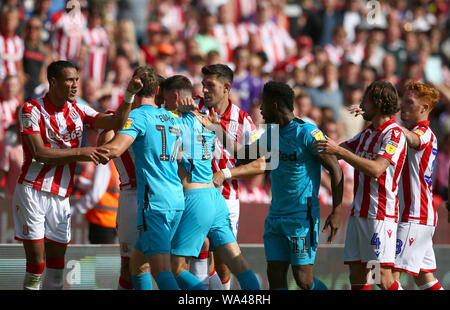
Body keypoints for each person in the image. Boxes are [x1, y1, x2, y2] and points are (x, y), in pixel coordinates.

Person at [193, 81, 343, 290]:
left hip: (301, 216)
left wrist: (336, 212)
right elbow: (243, 154)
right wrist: (215, 129)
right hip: (276, 216)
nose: (260, 109)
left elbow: (336, 169)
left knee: (304, 280)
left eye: (263, 104)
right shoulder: (271, 135)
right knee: (275, 276)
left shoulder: (307, 133)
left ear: (274, 104)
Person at [12, 60, 136, 290]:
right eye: (70, 80)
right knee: (37, 264)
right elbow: (40, 153)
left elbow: (116, 121)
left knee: (58, 266)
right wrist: (83, 152)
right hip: (33, 190)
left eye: (77, 80)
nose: (75, 85)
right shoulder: (30, 109)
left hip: (61, 196)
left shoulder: (79, 108)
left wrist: (129, 95)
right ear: (53, 82)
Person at [161, 75, 260, 290]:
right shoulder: (207, 120)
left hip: (195, 198)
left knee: (177, 267)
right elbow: (241, 153)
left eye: (165, 99)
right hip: (216, 199)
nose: (163, 104)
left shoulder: (174, 120)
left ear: (175, 97)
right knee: (236, 261)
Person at [97, 66, 186, 290]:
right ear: (157, 90)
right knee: (138, 266)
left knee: (154, 269)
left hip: (145, 199)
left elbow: (108, 151)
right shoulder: (173, 118)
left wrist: (75, 155)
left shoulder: (133, 117)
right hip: (170, 196)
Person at [313, 80, 407, 290]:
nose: (360, 104)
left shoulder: (394, 134)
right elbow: (335, 152)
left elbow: (376, 169)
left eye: (365, 100)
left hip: (380, 215)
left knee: (381, 278)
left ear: (379, 102)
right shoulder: (368, 133)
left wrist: (341, 152)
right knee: (357, 274)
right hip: (358, 214)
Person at [188, 64, 259, 290]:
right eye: (203, 84)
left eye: (210, 85)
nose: (204, 90)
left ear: (227, 87)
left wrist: (225, 173)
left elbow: (261, 162)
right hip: (195, 193)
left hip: (227, 197)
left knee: (223, 258)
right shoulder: (191, 109)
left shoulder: (243, 119)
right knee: (199, 249)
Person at [392, 81, 444, 290]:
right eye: (402, 101)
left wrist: (386, 121)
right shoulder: (413, 130)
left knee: (384, 274)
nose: (402, 106)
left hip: (415, 215)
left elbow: (413, 139)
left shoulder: (423, 133)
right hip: (419, 215)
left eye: (409, 102)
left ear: (424, 109)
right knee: (424, 277)